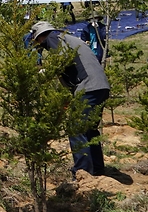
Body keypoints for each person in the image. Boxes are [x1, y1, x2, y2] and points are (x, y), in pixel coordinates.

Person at [30, 20, 111, 177]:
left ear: (40, 37)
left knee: (76, 129)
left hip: (89, 87)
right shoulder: (68, 38)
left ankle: (83, 173)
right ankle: (97, 170)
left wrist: (45, 72)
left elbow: (63, 60)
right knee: (90, 130)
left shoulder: (53, 38)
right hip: (100, 86)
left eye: (37, 41)